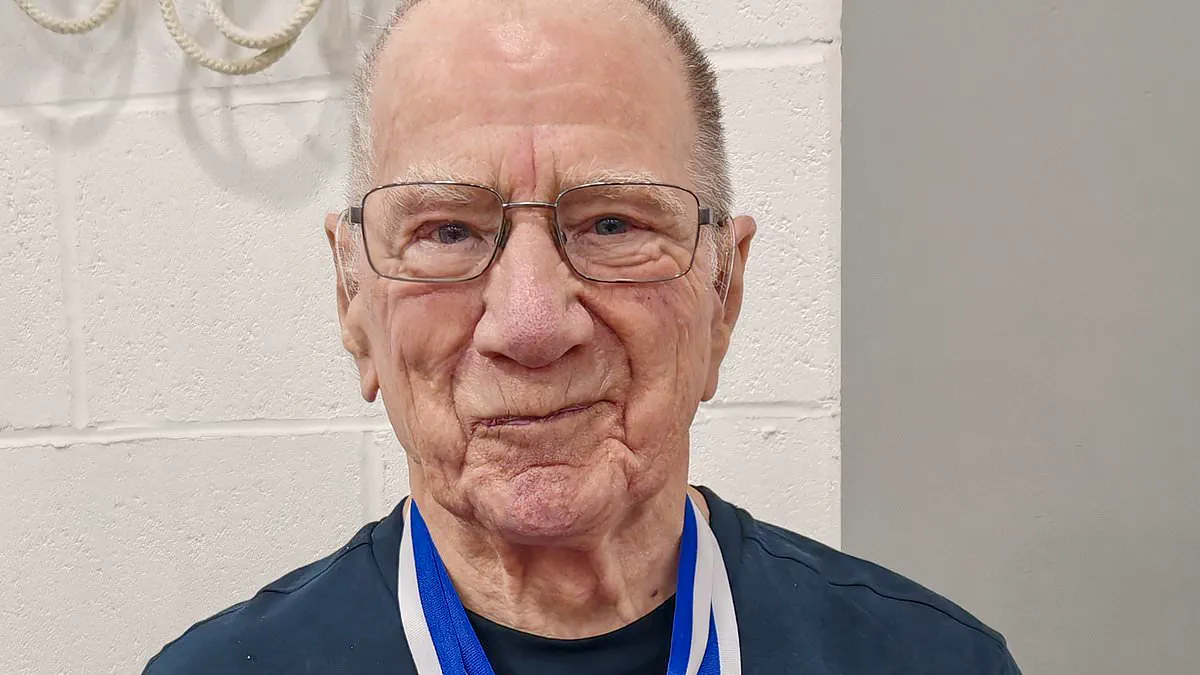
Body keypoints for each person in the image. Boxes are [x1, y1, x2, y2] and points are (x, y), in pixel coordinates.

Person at [145, 0, 1022, 672]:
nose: (530, 324)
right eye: (447, 231)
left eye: (612, 224)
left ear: (724, 290)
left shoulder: (931, 662)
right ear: (353, 298)